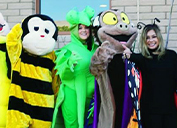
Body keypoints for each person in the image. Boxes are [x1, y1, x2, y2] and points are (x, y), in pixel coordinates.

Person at [122, 20, 177, 128]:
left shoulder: (172, 56)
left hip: (170, 110)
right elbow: (129, 58)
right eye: (147, 37)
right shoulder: (142, 59)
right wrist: (127, 54)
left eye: (153, 36)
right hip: (149, 112)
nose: (151, 40)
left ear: (159, 38)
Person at [52, 6, 98, 128]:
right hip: (72, 95)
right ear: (74, 30)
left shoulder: (97, 49)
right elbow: (63, 75)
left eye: (86, 27)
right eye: (80, 28)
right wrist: (68, 64)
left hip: (92, 98)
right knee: (73, 125)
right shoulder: (68, 50)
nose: (84, 30)